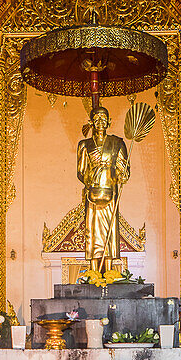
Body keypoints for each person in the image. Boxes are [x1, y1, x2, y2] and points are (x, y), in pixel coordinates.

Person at [77, 105, 130, 274]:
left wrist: (121, 175)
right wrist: (91, 176)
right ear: (91, 122)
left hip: (110, 192)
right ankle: (93, 270)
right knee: (92, 232)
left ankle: (108, 270)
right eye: (97, 118)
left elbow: (124, 169)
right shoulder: (85, 145)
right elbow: (80, 171)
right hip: (93, 193)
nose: (100, 121)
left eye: (103, 118)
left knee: (109, 231)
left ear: (109, 122)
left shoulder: (117, 143)